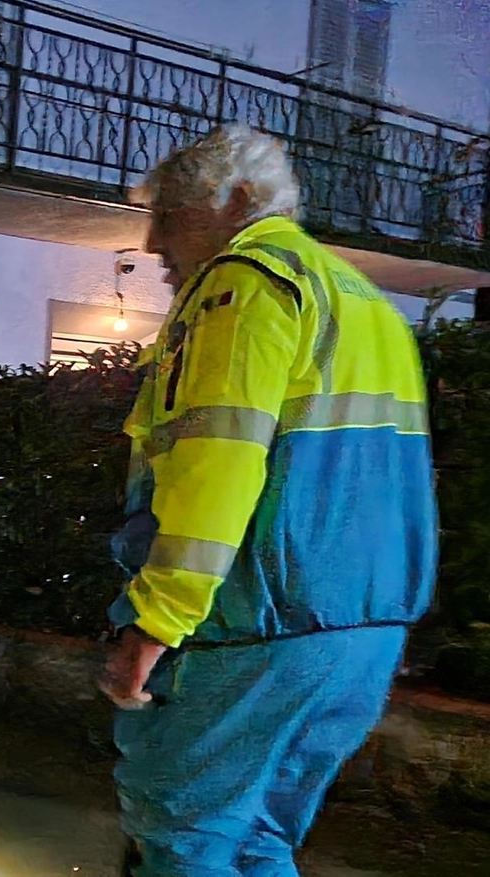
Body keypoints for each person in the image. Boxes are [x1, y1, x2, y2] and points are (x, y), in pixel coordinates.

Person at [99, 123, 436, 876]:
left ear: (238, 201)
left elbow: (214, 465)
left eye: (171, 215)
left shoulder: (242, 283)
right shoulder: (366, 302)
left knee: (184, 832)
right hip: (361, 633)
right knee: (258, 838)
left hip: (255, 625)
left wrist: (155, 621)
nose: (153, 244)